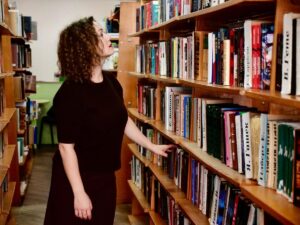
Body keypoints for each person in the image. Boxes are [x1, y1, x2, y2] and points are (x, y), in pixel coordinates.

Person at [43, 16, 174, 225]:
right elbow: (66, 148)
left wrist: (150, 146)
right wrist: (79, 193)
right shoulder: (71, 92)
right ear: (84, 46)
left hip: (105, 178)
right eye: (100, 34)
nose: (108, 38)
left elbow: (121, 120)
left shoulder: (112, 84)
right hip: (76, 179)